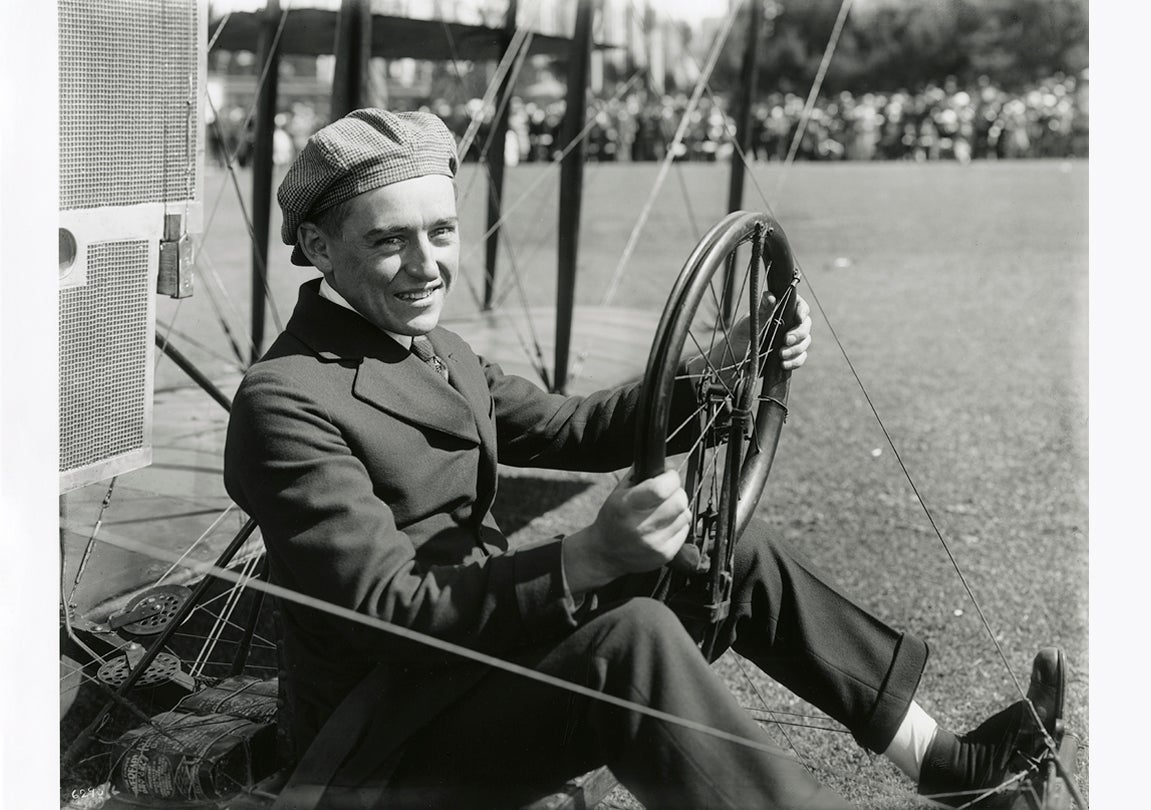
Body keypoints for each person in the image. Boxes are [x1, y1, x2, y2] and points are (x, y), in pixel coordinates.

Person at [223, 109, 1065, 810]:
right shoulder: (286, 399)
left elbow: (574, 427)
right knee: (627, 642)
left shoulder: (432, 346)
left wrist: (730, 362)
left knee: (726, 547)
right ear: (320, 247)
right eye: (389, 242)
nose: (426, 265)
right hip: (385, 741)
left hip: (476, 664)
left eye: (441, 231)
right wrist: (586, 558)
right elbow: (386, 611)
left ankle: (944, 765)